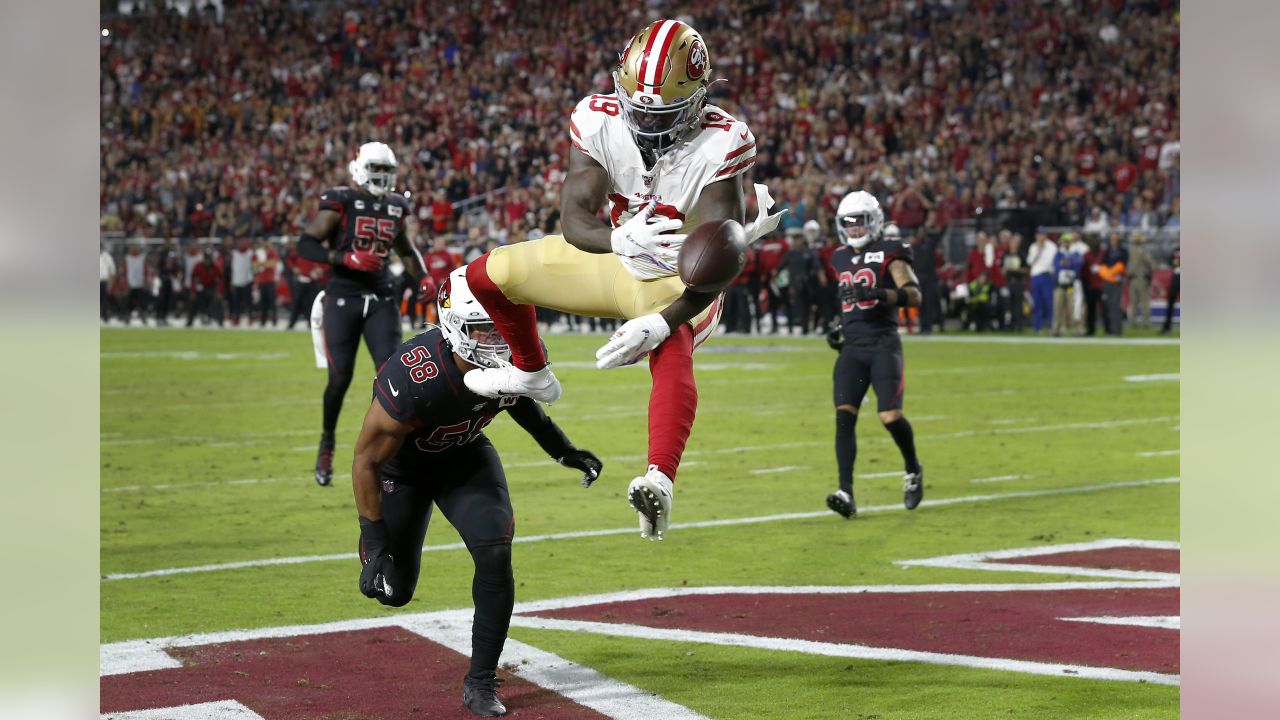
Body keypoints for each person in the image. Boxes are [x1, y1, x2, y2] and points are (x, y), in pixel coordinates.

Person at [458, 20, 780, 541]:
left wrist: (658, 322)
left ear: (698, 100)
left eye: (665, 112)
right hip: (614, 258)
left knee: (670, 344)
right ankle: (533, 373)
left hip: (673, 281)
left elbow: (716, 267)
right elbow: (574, 220)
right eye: (640, 106)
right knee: (484, 276)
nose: (648, 122)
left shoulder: (724, 141)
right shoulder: (596, 118)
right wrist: (618, 241)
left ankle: (660, 479)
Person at [352, 267, 602, 717]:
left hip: (464, 456)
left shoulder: (515, 350)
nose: (499, 340)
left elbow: (520, 397)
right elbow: (367, 459)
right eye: (484, 329)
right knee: (394, 591)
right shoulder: (416, 375)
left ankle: (481, 682)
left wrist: (561, 450)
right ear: (453, 326)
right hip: (402, 473)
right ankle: (381, 554)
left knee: (494, 550)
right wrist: (374, 544)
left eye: (502, 326)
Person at [294, 141, 434, 487]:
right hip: (344, 297)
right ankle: (327, 441)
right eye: (377, 169)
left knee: (392, 376)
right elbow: (305, 244)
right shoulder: (342, 200)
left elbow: (406, 249)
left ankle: (389, 450)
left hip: (382, 298)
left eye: (388, 170)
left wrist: (424, 276)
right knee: (340, 379)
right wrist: (345, 259)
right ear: (359, 167)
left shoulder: (396, 206)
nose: (382, 177)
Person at [823, 191, 924, 519]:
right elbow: (850, 300)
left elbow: (914, 295)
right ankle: (846, 492)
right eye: (848, 223)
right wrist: (839, 326)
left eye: (860, 222)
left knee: (890, 416)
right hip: (852, 348)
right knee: (843, 417)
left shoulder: (890, 252)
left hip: (883, 344)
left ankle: (912, 469)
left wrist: (880, 294)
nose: (854, 229)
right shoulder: (838, 257)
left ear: (875, 221)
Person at [1027, 231, 1057, 333]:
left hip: (1047, 275)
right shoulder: (1033, 247)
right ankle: (1037, 327)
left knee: (1049, 302)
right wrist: (1039, 250)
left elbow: (1052, 262)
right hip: (1036, 276)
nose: (1040, 237)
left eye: (1042, 235)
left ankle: (1052, 325)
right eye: (1039, 235)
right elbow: (1030, 262)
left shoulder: (1052, 246)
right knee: (1037, 302)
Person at [1126, 233, 1153, 329]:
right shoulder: (1143, 251)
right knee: (1143, 302)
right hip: (1140, 278)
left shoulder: (1131, 251)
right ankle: (1143, 322)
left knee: (1135, 302)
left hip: (1135, 278)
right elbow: (1149, 264)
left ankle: (1135, 323)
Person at [1160, 246, 1180, 334]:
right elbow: (1169, 261)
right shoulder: (1176, 250)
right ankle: (1167, 327)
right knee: (1170, 302)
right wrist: (1173, 263)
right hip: (1176, 277)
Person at [100, 243, 117, 323]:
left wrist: (111, 282)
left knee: (104, 300)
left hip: (104, 281)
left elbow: (112, 269)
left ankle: (105, 316)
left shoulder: (107, 257)